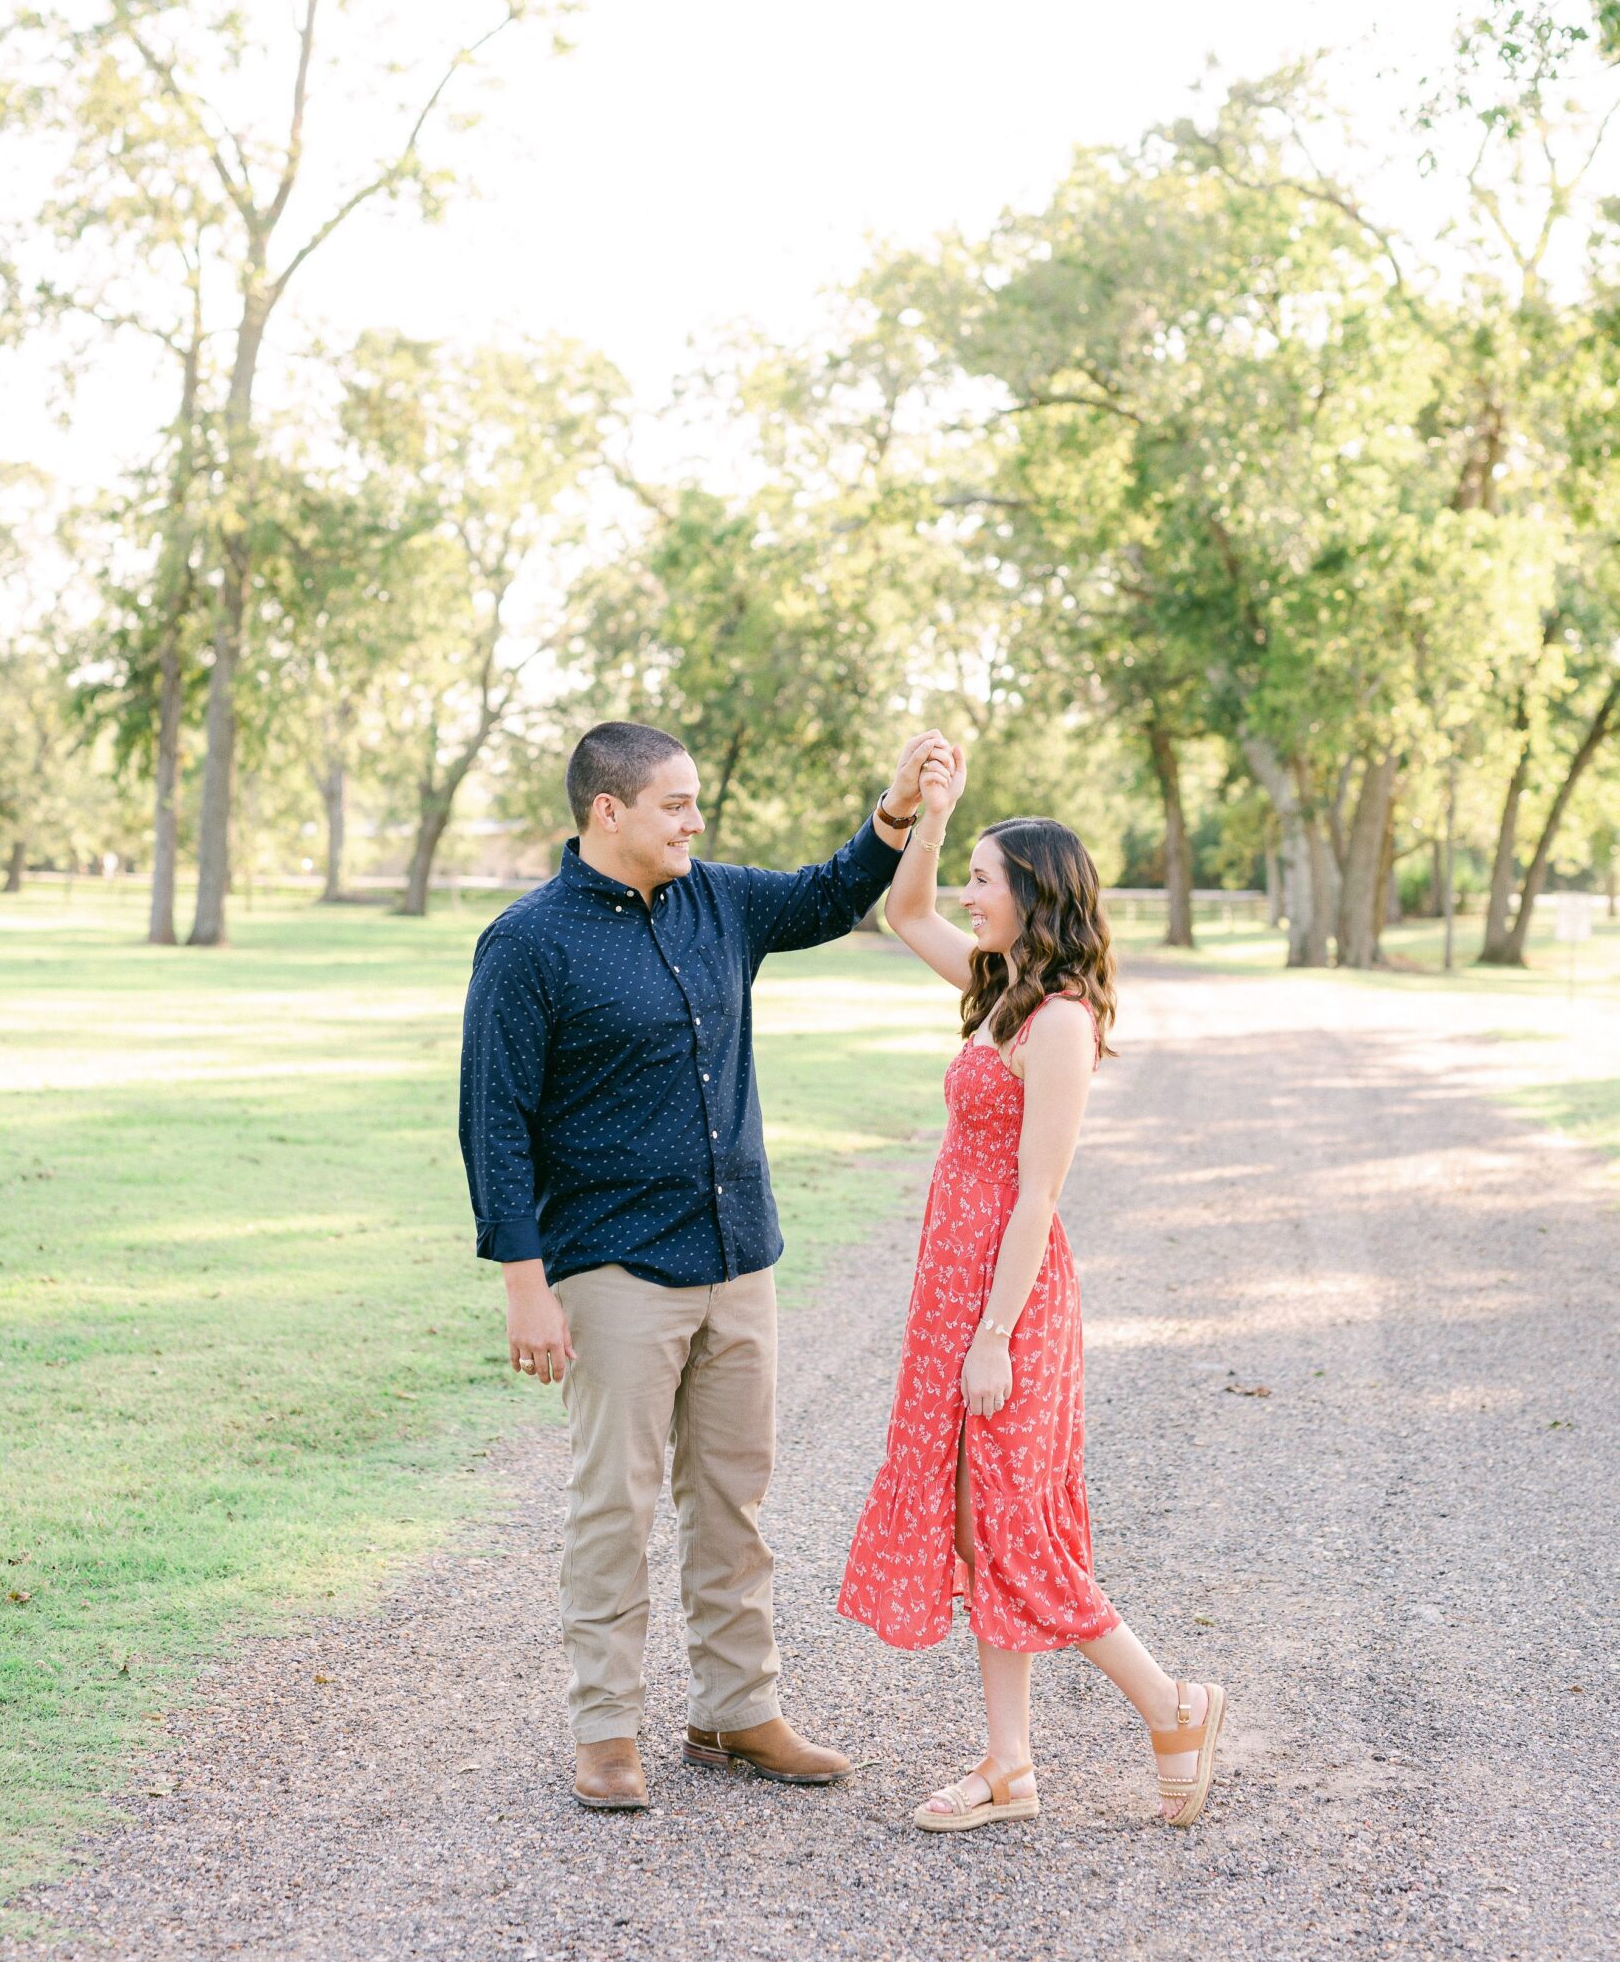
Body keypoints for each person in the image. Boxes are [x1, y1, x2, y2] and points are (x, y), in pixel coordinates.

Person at [460, 717, 954, 1811]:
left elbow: (832, 895)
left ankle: (737, 1712)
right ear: (608, 811)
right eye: (675, 803)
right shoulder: (526, 944)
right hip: (613, 1268)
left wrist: (894, 807)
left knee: (733, 1499)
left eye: (694, 802)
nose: (695, 819)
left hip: (737, 1256)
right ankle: (605, 1732)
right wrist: (522, 1283)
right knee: (614, 1507)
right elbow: (495, 1122)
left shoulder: (716, 899)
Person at [838, 744, 1226, 1832]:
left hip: (1008, 1301)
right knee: (971, 1524)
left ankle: (1172, 1702)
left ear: (1033, 894)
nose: (966, 892)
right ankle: (1008, 1765)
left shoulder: (1055, 1023)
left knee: (1014, 1526)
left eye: (983, 877)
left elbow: (1035, 1195)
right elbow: (899, 911)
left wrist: (994, 1334)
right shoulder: (1000, 990)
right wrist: (930, 809)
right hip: (953, 1293)